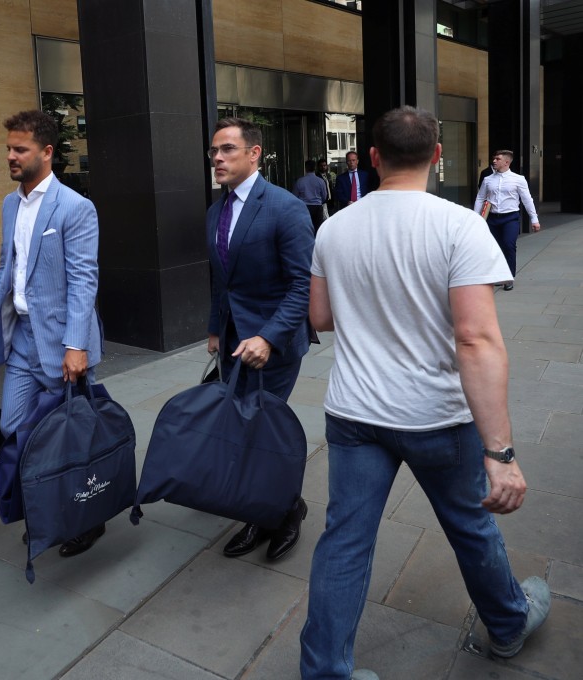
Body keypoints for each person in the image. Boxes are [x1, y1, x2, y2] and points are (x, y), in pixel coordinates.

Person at [301, 106, 549, 680]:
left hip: (355, 412)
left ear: (373, 158)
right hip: (436, 415)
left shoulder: (334, 226)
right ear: (437, 156)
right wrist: (501, 452)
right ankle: (509, 624)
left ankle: (324, 670)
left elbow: (320, 315)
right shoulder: (458, 225)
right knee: (470, 524)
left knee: (344, 542)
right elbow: (477, 338)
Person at [0, 110, 105, 557]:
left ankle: (89, 517)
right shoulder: (11, 204)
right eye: (8, 148)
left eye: (20, 149)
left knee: (71, 436)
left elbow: (85, 281)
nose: (10, 156)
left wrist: (76, 345)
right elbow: (5, 268)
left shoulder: (74, 207)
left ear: (46, 153)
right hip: (23, 338)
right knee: (14, 427)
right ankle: (46, 504)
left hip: (63, 343)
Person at [206, 117, 315, 562]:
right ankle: (269, 507)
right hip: (233, 341)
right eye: (214, 151)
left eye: (227, 149)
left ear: (254, 154)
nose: (217, 158)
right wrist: (216, 327)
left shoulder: (285, 207)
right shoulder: (217, 210)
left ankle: (282, 512)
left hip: (275, 345)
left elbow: (302, 285)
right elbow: (222, 281)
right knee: (242, 428)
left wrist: (268, 338)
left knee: (262, 431)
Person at [474, 149, 541, 290]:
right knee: (495, 248)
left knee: (509, 245)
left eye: (497, 159)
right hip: (492, 218)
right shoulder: (488, 180)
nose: (494, 161)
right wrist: (476, 217)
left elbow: (527, 199)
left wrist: (534, 219)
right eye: (494, 158)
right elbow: (480, 198)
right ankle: (498, 276)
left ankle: (509, 277)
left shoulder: (518, 179)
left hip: (510, 218)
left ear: (506, 162)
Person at [294, 160, 329, 232]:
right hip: (317, 207)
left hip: (305, 207)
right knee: (318, 230)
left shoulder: (300, 181)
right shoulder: (320, 181)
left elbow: (295, 196)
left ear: (305, 168)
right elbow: (324, 196)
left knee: (306, 229)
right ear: (315, 168)